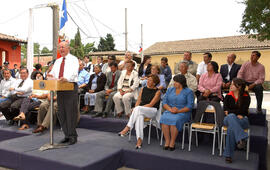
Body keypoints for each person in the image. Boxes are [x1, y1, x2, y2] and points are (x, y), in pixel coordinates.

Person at [47, 41, 79, 145]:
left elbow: (74, 73)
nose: (61, 49)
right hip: (60, 88)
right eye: (59, 47)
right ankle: (66, 135)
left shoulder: (73, 59)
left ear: (68, 48)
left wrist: (66, 78)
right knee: (62, 113)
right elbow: (53, 73)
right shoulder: (57, 61)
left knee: (71, 112)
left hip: (70, 87)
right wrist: (50, 76)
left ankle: (73, 136)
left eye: (63, 47)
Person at [118, 74, 161, 149]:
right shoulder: (143, 89)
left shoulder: (158, 92)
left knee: (137, 109)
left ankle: (128, 127)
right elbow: (138, 101)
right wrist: (136, 107)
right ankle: (139, 140)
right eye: (148, 79)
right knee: (139, 117)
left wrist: (136, 108)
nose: (147, 81)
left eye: (150, 80)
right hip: (141, 110)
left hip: (152, 111)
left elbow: (151, 104)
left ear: (154, 83)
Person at [160, 74, 194, 151]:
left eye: (176, 82)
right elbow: (164, 102)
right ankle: (167, 141)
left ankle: (172, 142)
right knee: (164, 118)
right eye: (174, 81)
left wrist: (178, 111)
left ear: (181, 83)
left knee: (175, 120)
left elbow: (189, 106)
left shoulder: (188, 92)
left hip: (183, 112)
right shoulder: (170, 90)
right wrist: (170, 109)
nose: (174, 83)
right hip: (170, 111)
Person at [223, 78, 251, 163]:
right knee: (231, 117)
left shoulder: (246, 96)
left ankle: (228, 155)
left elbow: (243, 110)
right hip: (228, 119)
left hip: (243, 120)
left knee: (231, 128)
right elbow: (225, 110)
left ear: (238, 86)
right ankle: (242, 137)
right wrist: (235, 114)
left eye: (232, 84)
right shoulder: (228, 96)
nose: (230, 86)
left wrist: (231, 112)